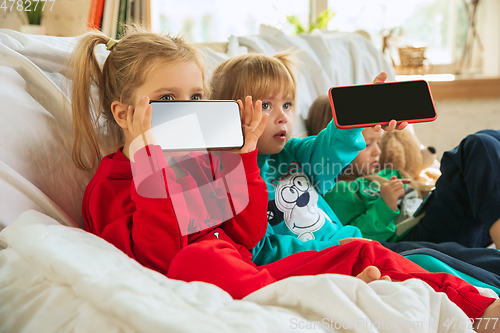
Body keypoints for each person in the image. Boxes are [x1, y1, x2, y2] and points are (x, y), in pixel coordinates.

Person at [69, 29, 498, 329]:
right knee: (194, 261)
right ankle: (327, 293)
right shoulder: (110, 185)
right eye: (167, 100)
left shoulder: (213, 162)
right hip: (228, 273)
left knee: (363, 249)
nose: (188, 110)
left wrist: (241, 160)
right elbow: (157, 258)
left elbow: (243, 230)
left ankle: (483, 311)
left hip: (259, 266)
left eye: (196, 98)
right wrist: (154, 165)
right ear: (123, 113)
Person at [307, 95, 500, 249]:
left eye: (379, 142)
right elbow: (354, 241)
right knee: (478, 146)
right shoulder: (338, 193)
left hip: (439, 225)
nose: (378, 151)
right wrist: (385, 206)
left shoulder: (378, 173)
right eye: (367, 145)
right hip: (411, 241)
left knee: (490, 138)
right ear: (337, 148)